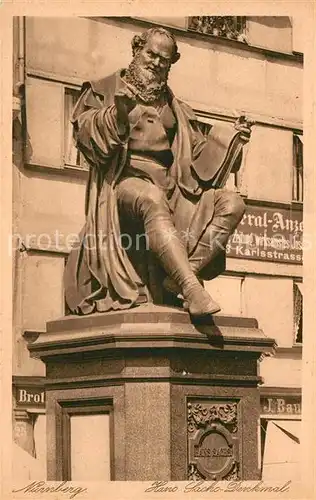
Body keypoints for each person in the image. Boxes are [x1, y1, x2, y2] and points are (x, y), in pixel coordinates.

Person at [64, 27, 252, 317]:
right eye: (151, 54)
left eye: (164, 60)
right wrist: (117, 116)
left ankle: (182, 275)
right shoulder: (104, 89)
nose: (156, 63)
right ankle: (191, 287)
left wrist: (231, 142)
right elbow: (86, 134)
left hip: (175, 188)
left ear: (170, 63)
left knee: (232, 203)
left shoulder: (177, 108)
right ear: (137, 50)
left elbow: (200, 159)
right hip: (123, 185)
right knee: (150, 197)